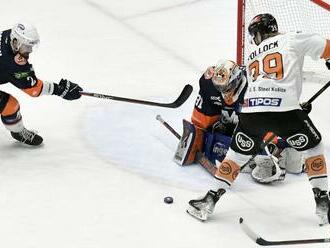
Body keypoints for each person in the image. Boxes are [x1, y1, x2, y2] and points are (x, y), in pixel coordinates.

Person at [186, 13, 330, 226]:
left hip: (251, 114)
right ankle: (323, 201)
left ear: (261, 32)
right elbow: (325, 47)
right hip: (286, 113)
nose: (254, 40)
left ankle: (210, 199)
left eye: (254, 34)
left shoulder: (253, 54)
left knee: (236, 156)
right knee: (314, 147)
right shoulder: (293, 38)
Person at [173, 59, 303, 184]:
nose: (223, 92)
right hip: (231, 127)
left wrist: (267, 146)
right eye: (219, 88)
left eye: (227, 87)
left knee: (292, 163)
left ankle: (280, 153)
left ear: (237, 80)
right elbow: (201, 121)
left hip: (256, 127)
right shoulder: (209, 85)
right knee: (212, 139)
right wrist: (197, 136)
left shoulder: (256, 89)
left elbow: (268, 127)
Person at [0, 22, 83, 146]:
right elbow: (33, 90)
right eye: (26, 47)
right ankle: (18, 132)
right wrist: (60, 90)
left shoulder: (7, 35)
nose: (30, 51)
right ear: (16, 42)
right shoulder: (12, 63)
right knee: (9, 105)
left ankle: (17, 131)